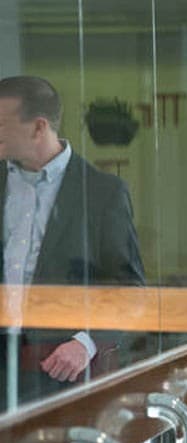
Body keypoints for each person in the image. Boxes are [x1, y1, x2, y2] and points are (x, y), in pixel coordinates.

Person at [0, 75, 145, 392]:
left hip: (57, 368)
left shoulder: (103, 193)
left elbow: (128, 289)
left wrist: (86, 342)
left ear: (39, 128)